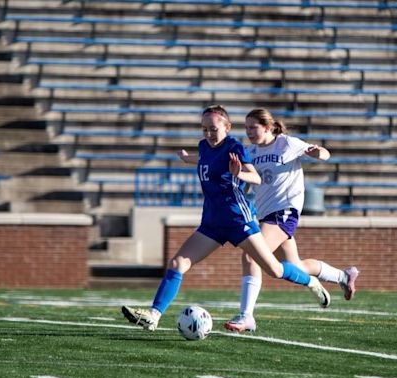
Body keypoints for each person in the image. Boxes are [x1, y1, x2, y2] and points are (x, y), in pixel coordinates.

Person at [122, 105, 330, 331]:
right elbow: (205, 158)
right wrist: (187, 158)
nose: (208, 133)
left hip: (238, 220)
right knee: (177, 263)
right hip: (212, 222)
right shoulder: (204, 146)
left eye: (213, 128)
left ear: (227, 127)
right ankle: (153, 315)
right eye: (204, 129)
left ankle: (310, 281)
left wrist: (238, 172)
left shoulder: (235, 146)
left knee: (275, 270)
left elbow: (256, 178)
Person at [224, 108, 359, 333]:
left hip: (284, 212)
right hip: (265, 215)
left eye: (253, 127)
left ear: (267, 127)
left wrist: (319, 152)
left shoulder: (286, 143)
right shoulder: (251, 151)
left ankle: (246, 316)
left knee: (251, 255)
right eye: (246, 127)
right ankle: (343, 276)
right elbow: (248, 182)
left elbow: (323, 153)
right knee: (296, 266)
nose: (249, 132)